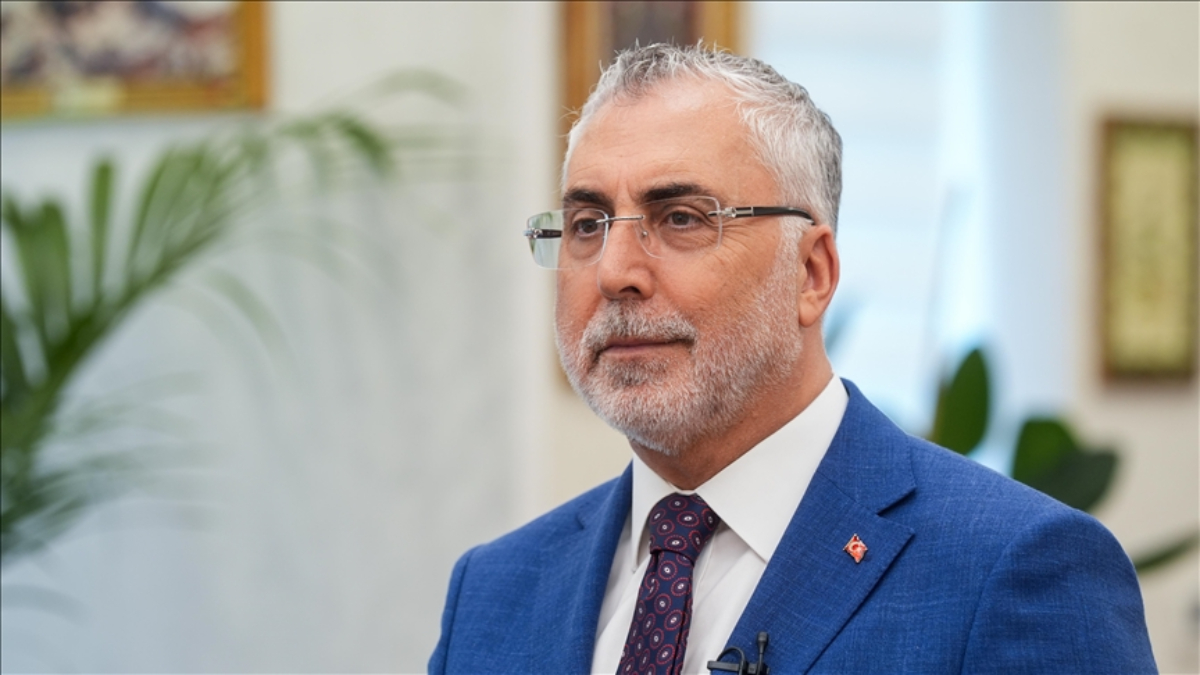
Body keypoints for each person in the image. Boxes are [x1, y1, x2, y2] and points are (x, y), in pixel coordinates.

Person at [428, 44, 1156, 674]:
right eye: (587, 224)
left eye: (680, 218)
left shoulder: (1015, 567)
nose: (615, 270)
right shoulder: (494, 591)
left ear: (811, 273)